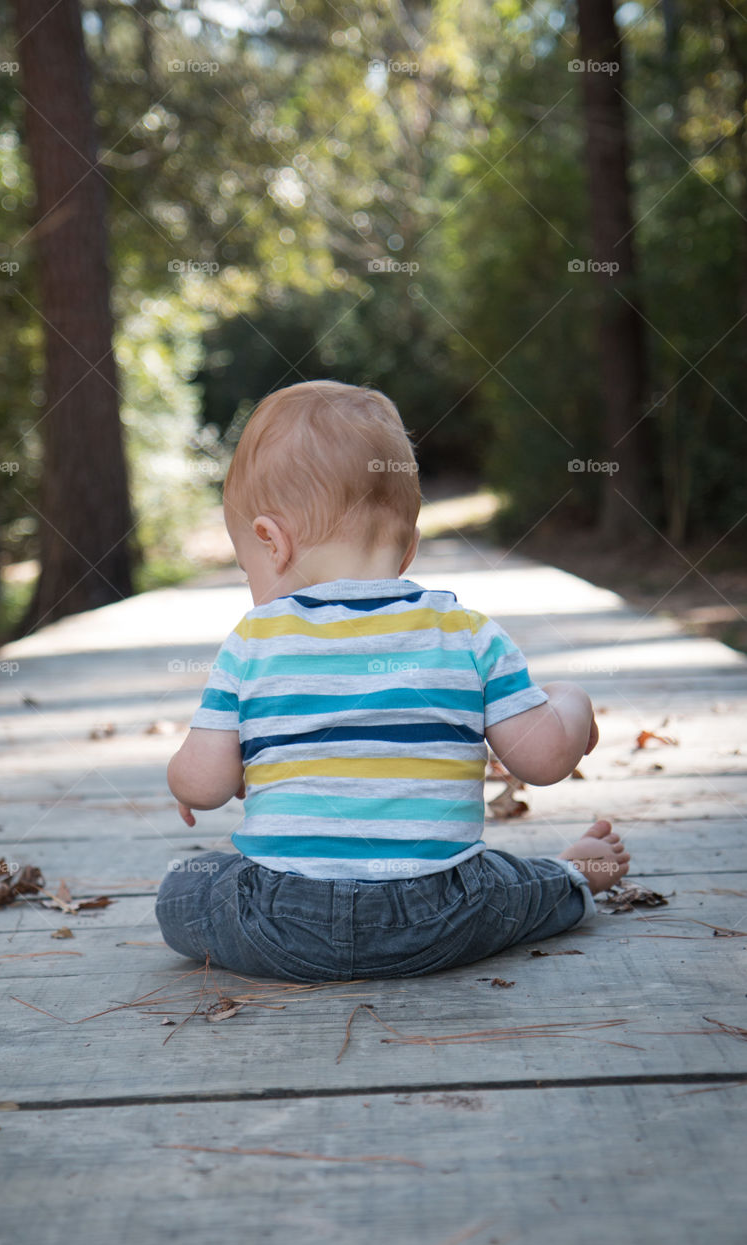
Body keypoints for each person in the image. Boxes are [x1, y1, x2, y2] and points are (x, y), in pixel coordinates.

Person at [155, 380, 630, 980]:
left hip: (284, 923)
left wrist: (192, 771)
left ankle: (550, 881)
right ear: (408, 549)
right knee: (500, 884)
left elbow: (202, 785)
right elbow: (543, 760)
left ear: (270, 543)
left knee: (182, 889)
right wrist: (572, 701)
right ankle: (566, 879)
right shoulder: (468, 632)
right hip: (441, 916)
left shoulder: (254, 638)